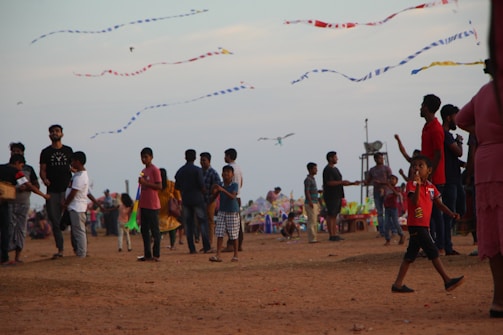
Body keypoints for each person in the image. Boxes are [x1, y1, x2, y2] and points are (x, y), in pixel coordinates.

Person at [457, 58, 503, 318]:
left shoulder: (483, 92)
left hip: (485, 166)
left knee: (494, 235)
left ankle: (499, 300)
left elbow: (462, 120)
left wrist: (485, 134)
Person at [391, 155, 464, 294]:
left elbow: (439, 204)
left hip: (422, 225)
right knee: (433, 251)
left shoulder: (431, 187)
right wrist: (418, 185)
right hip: (417, 225)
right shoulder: (411, 185)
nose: (416, 168)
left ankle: (397, 284)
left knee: (410, 256)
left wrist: (451, 213)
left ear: (429, 170)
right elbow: (415, 202)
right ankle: (447, 280)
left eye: (420, 166)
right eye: (414, 166)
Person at [8, 143, 46, 263]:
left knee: (21, 229)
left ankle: (17, 257)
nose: (16, 153)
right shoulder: (4, 169)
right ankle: (5, 256)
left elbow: (36, 185)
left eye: (18, 151)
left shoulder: (28, 169)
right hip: (8, 203)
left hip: (24, 203)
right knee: (7, 229)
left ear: (23, 152)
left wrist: (27, 188)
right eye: (14, 151)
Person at [39, 124, 73, 259]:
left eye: (57, 131)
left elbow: (74, 166)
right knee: (55, 220)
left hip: (67, 190)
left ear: (62, 134)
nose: (55, 133)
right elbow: (42, 169)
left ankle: (78, 247)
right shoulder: (46, 152)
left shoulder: (68, 150)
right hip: (52, 191)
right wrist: (44, 179)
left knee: (72, 218)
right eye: (52, 132)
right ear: (49, 135)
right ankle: (60, 249)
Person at [419, 94, 446, 254]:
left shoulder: (436, 128)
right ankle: (433, 245)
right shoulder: (427, 127)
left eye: (422, 105)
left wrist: (430, 173)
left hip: (435, 178)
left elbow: (438, 154)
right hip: (427, 177)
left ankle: (440, 246)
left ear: (427, 107)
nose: (420, 108)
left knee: (436, 213)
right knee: (429, 214)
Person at [175, 149, 211, 254]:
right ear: (195, 158)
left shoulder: (180, 171)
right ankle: (206, 246)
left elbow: (177, 186)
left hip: (186, 199)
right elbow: (202, 186)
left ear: (185, 157)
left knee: (189, 225)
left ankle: (192, 248)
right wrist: (206, 195)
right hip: (197, 199)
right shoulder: (197, 170)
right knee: (203, 223)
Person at [440, 104, 465, 256]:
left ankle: (445, 241)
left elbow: (452, 157)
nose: (458, 120)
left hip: (454, 177)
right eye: (456, 116)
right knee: (452, 212)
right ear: (449, 117)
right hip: (450, 179)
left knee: (458, 210)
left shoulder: (446, 134)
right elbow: (458, 152)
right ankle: (446, 245)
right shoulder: (446, 135)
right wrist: (460, 141)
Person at [322, 151, 360, 241]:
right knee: (331, 215)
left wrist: (352, 183)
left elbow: (340, 182)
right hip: (331, 195)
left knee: (335, 215)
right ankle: (331, 235)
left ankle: (334, 234)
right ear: (330, 158)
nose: (337, 159)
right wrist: (342, 182)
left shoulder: (335, 169)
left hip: (337, 194)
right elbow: (329, 182)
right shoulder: (328, 169)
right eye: (335, 157)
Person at [61, 151, 90, 258]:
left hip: (77, 207)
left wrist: (65, 203)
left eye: (73, 161)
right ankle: (80, 251)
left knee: (79, 231)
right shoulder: (78, 174)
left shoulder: (80, 177)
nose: (71, 163)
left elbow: (73, 192)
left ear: (78, 162)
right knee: (76, 231)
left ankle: (82, 253)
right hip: (74, 207)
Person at [209, 165, 240, 262]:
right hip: (222, 211)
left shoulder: (234, 185)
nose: (226, 174)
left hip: (232, 211)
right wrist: (215, 191)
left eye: (228, 172)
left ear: (232, 175)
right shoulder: (220, 185)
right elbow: (213, 198)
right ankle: (218, 255)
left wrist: (222, 190)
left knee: (233, 234)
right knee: (219, 233)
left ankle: (235, 255)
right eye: (224, 172)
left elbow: (232, 197)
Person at [137, 147, 162, 262]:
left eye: (146, 157)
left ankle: (156, 254)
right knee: (144, 230)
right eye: (142, 157)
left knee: (155, 230)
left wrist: (146, 183)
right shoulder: (143, 171)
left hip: (152, 204)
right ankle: (147, 254)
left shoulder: (155, 170)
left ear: (151, 157)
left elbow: (159, 186)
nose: (144, 159)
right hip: (144, 203)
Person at [364, 152, 392, 237]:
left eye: (382, 158)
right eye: (379, 158)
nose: (381, 159)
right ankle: (382, 231)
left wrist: (381, 182)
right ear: (375, 159)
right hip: (376, 191)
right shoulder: (372, 170)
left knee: (388, 211)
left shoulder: (386, 168)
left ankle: (391, 230)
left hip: (386, 191)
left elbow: (391, 180)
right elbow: (368, 180)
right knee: (379, 212)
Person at [221, 148, 244, 252]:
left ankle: (231, 245)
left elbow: (225, 182)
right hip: (238, 196)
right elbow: (242, 182)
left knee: (229, 223)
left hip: (230, 197)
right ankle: (239, 244)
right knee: (237, 223)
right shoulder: (239, 167)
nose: (224, 157)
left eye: (225, 155)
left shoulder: (229, 168)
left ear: (229, 156)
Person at [200, 152, 221, 250]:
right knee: (202, 222)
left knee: (210, 221)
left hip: (210, 200)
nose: (202, 162)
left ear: (209, 161)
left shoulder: (213, 173)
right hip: (201, 200)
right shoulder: (199, 172)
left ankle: (210, 243)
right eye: (201, 160)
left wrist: (213, 197)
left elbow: (218, 187)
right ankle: (205, 244)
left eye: (204, 160)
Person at [158, 168, 182, 250]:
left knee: (159, 226)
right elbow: (178, 196)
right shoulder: (171, 184)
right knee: (172, 226)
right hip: (169, 207)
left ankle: (157, 243)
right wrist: (179, 205)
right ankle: (172, 245)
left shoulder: (156, 185)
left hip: (159, 207)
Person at [383, 175, 405, 246]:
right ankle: (387, 239)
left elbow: (397, 194)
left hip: (393, 208)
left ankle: (401, 234)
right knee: (386, 224)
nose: (391, 180)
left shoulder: (397, 188)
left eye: (393, 179)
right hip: (387, 208)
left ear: (396, 181)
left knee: (396, 222)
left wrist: (390, 187)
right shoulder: (386, 189)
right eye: (390, 179)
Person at [304, 162, 320, 243]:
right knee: (312, 221)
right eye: (315, 168)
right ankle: (312, 238)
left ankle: (314, 237)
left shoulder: (312, 179)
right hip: (311, 202)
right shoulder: (308, 180)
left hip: (314, 201)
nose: (316, 170)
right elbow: (307, 191)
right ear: (310, 169)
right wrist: (310, 201)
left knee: (314, 221)